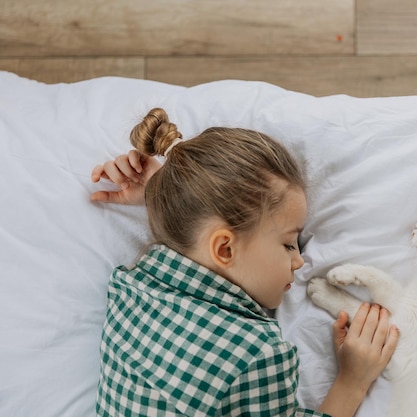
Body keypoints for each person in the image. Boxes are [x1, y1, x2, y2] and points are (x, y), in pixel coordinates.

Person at [91, 108, 399, 417]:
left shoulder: (129, 286)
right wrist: (353, 380)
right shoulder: (256, 354)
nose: (299, 260)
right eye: (288, 244)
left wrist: (166, 192)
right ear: (224, 249)